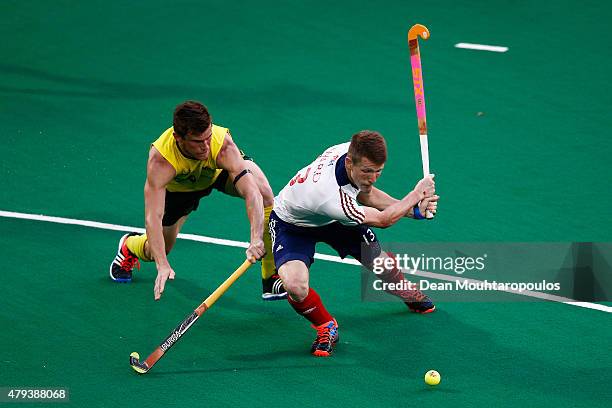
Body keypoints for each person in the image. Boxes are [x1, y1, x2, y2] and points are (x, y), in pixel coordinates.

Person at [269, 130, 439, 357]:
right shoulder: (330, 196)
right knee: (294, 285)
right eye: (367, 171)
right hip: (292, 225)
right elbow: (383, 219)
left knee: (382, 265)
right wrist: (416, 195)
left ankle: (404, 290)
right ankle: (325, 325)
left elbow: (366, 193)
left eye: (379, 171)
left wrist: (413, 210)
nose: (373, 177)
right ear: (350, 163)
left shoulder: (348, 150)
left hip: (331, 216)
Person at [109, 100, 286, 301]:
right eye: (197, 142)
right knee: (157, 250)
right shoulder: (161, 161)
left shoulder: (221, 144)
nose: (205, 146)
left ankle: (270, 277)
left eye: (208, 138)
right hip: (179, 192)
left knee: (264, 194)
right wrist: (162, 264)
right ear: (179, 138)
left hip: (216, 172)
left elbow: (251, 191)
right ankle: (129, 245)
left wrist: (255, 238)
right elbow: (153, 218)